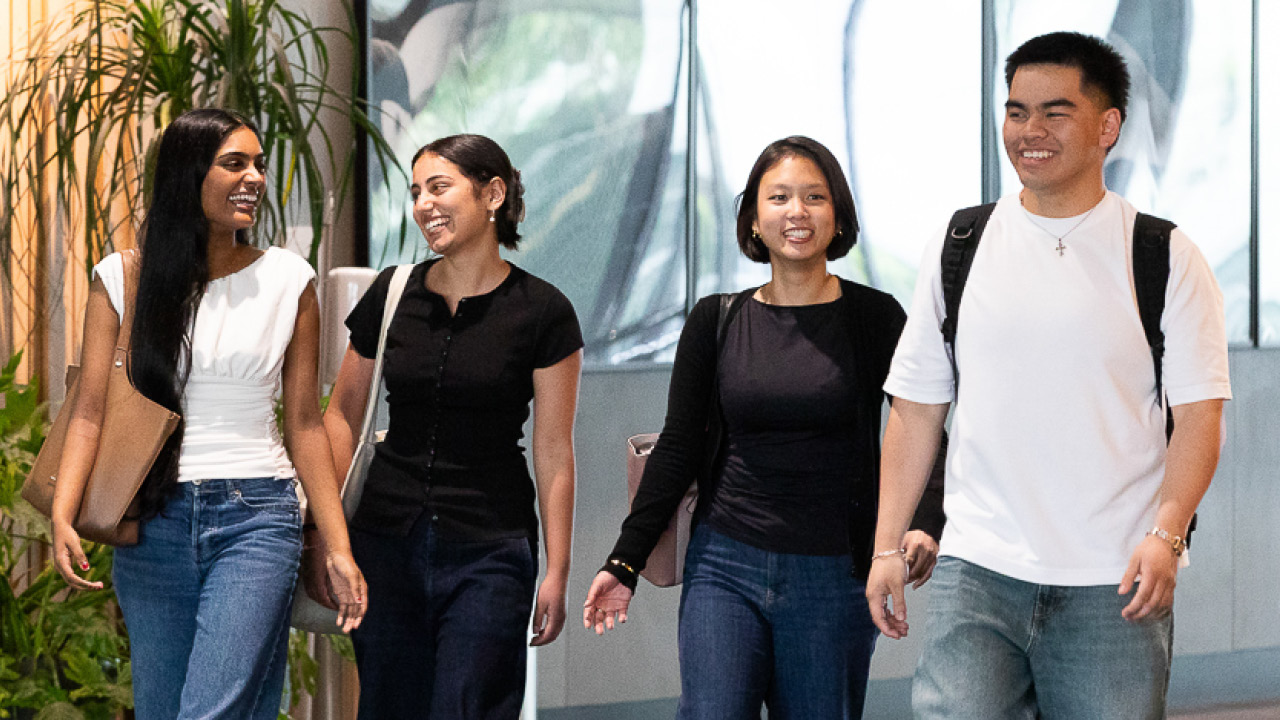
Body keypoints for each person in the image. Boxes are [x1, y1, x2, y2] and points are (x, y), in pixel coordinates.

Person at [866, 32, 1231, 719]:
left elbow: (1199, 419)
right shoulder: (961, 244)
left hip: (1114, 579)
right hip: (976, 571)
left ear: (1107, 127)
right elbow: (916, 410)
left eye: (1054, 112)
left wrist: (1167, 534)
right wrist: (888, 544)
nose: (1029, 130)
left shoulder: (1164, 255)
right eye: (1016, 111)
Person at [583, 136, 945, 719]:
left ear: (838, 215)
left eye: (814, 197)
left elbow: (924, 428)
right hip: (724, 563)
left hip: (834, 572)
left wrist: (925, 520)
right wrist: (624, 562)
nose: (796, 211)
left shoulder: (874, 317)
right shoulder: (716, 319)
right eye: (778, 198)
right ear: (753, 218)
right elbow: (678, 449)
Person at [49, 108, 367, 719]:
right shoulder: (123, 278)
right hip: (152, 519)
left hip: (258, 516)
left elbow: (305, 425)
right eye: (234, 163)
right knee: (164, 710)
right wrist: (65, 513)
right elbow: (89, 409)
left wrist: (337, 545)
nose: (254, 178)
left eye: (259, 165)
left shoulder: (288, 279)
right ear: (188, 173)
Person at [322, 133, 582, 719]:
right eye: (416, 192)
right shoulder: (392, 294)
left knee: (471, 706)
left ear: (493, 194)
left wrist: (558, 570)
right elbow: (340, 416)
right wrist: (327, 535)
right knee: (387, 707)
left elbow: (554, 450)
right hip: (385, 542)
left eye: (439, 187)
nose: (423, 205)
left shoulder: (544, 311)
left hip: (491, 548)